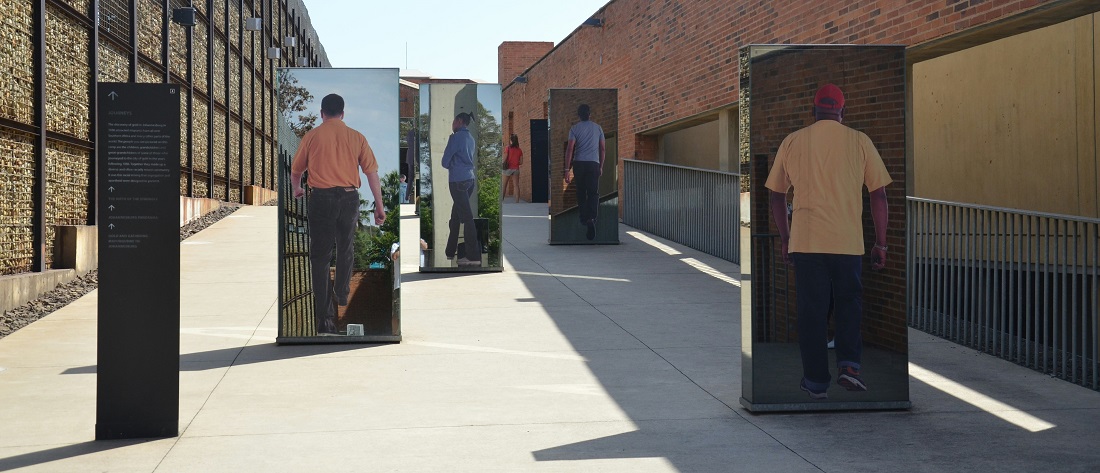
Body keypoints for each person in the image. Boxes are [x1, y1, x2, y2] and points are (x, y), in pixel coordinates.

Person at [765, 84, 891, 400]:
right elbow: (879, 194)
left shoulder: (793, 141)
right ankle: (849, 367)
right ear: (842, 112)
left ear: (814, 111)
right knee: (849, 304)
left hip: (806, 242)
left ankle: (816, 382)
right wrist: (881, 243)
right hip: (847, 243)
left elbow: (776, 195)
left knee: (812, 312)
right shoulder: (860, 141)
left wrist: (785, 237)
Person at [290, 93, 385, 336]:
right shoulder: (357, 137)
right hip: (349, 197)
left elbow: (296, 171)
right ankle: (342, 294)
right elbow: (371, 173)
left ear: (322, 113)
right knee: (346, 247)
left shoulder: (312, 136)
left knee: (320, 257)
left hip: (321, 198)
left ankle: (325, 318)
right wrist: (379, 205)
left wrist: (297, 188)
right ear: (342, 113)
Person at [442, 112, 480, 267]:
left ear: (459, 121)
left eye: (453, 121)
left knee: (466, 218)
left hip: (457, 180)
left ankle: (473, 256)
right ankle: (450, 252)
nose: (452, 124)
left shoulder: (455, 138)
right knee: (456, 216)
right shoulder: (470, 138)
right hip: (469, 179)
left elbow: (445, 162)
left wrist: (452, 164)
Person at [563, 104, 606, 241]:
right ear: (590, 114)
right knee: (593, 192)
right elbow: (603, 149)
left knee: (581, 192)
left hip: (579, 163)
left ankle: (583, 218)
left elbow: (570, 149)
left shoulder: (574, 129)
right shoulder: (598, 128)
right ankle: (592, 218)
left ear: (578, 115)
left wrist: (566, 169)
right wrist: (601, 166)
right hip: (593, 163)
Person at [503, 134, 523, 203]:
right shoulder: (519, 150)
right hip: (516, 169)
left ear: (511, 140)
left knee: (504, 185)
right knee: (516, 185)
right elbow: (521, 162)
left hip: (508, 168)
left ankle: (501, 201)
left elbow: (505, 159)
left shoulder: (507, 148)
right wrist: (515, 162)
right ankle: (517, 202)